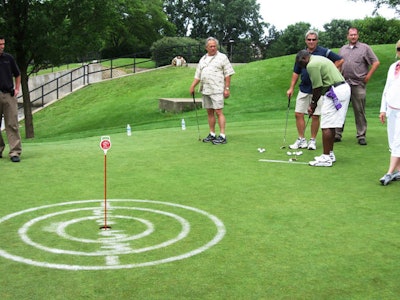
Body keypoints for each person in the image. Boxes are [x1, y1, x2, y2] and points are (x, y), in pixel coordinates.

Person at [287, 30, 344, 150]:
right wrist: (291, 87)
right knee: (298, 113)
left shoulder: (323, 51)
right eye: (309, 39)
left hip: (318, 90)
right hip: (304, 88)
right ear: (305, 41)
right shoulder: (301, 54)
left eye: (313, 39)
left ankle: (312, 140)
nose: (311, 42)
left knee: (315, 116)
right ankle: (301, 139)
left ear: (317, 40)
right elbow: (296, 72)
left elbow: (340, 60)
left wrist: (330, 71)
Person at [295, 50, 351, 167]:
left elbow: (317, 87)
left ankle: (326, 158)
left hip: (335, 91)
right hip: (342, 89)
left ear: (304, 59)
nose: (303, 68)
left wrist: (313, 105)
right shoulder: (318, 58)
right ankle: (330, 154)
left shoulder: (312, 65)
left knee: (326, 125)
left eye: (302, 64)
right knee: (331, 124)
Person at [336, 27, 380, 145]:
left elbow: (375, 62)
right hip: (344, 84)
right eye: (351, 35)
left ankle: (361, 135)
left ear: (358, 36)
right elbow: (339, 64)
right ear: (347, 36)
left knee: (359, 110)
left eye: (355, 35)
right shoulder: (343, 49)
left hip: (358, 84)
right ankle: (337, 134)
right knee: (340, 109)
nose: (353, 37)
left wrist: (368, 76)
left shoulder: (365, 48)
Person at [189, 37, 235, 145]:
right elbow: (198, 75)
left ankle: (222, 136)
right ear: (206, 47)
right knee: (209, 112)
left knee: (218, 111)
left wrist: (227, 88)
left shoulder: (222, 57)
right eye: (211, 46)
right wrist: (192, 86)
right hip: (206, 89)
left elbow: (228, 73)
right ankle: (212, 134)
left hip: (217, 88)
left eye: (215, 46)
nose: (213, 48)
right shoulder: (203, 59)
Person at [378, 40, 400, 185]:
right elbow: (387, 88)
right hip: (391, 108)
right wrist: (382, 109)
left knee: (398, 141)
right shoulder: (393, 66)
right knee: (392, 141)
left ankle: (389, 172)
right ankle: (398, 170)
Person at [0, 36, 22, 162]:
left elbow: (17, 74)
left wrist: (17, 88)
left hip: (9, 94)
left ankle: (15, 152)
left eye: (3, 44)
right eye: (0, 44)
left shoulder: (8, 58)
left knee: (12, 124)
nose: (2, 46)